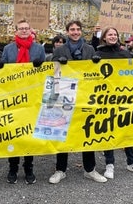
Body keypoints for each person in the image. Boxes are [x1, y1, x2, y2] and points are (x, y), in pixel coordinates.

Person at [50, 21, 107, 183]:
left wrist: (97, 62)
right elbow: (52, 72)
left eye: (77, 30)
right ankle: (60, 170)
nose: (75, 32)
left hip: (85, 96)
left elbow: (97, 74)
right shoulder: (60, 49)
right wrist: (57, 63)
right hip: (65, 96)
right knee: (63, 133)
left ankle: (90, 169)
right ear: (67, 32)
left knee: (86, 132)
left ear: (81, 31)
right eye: (72, 30)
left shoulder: (89, 49)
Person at [94, 27, 133, 179]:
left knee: (126, 131)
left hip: (123, 99)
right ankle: (109, 164)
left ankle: (132, 162)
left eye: (115, 34)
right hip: (106, 100)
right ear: (104, 37)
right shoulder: (98, 54)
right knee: (108, 131)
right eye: (109, 34)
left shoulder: (124, 53)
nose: (113, 36)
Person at [0, 18, 46, 184]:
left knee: (28, 133)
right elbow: (3, 70)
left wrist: (41, 65)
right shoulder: (9, 49)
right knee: (14, 132)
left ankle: (28, 167)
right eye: (21, 28)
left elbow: (45, 72)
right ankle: (13, 167)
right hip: (13, 97)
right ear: (16, 31)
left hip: (32, 97)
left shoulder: (38, 49)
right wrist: (0, 65)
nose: (24, 31)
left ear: (30, 30)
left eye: (26, 28)